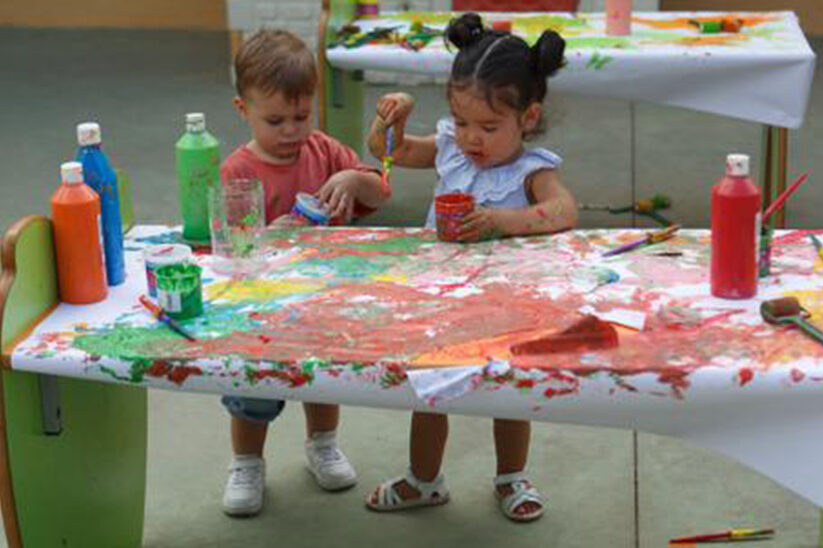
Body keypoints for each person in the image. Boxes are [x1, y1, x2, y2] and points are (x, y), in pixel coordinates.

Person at [364, 13, 578, 522]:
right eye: (461, 122)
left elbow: (564, 212)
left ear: (527, 118)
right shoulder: (450, 152)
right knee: (432, 385)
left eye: (488, 127)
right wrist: (392, 115)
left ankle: (510, 477)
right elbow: (384, 151)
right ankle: (424, 480)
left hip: (506, 301)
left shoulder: (532, 171)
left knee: (508, 390)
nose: (471, 139)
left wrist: (502, 220)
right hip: (441, 297)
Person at [219, 29, 390, 516]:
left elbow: (381, 194)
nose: (292, 130)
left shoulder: (326, 152)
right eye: (275, 120)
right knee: (252, 385)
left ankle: (323, 444)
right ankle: (247, 462)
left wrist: (357, 178)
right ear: (242, 110)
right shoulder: (239, 171)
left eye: (302, 115)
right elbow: (230, 247)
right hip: (261, 305)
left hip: (324, 293)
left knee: (322, 376)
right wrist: (270, 235)